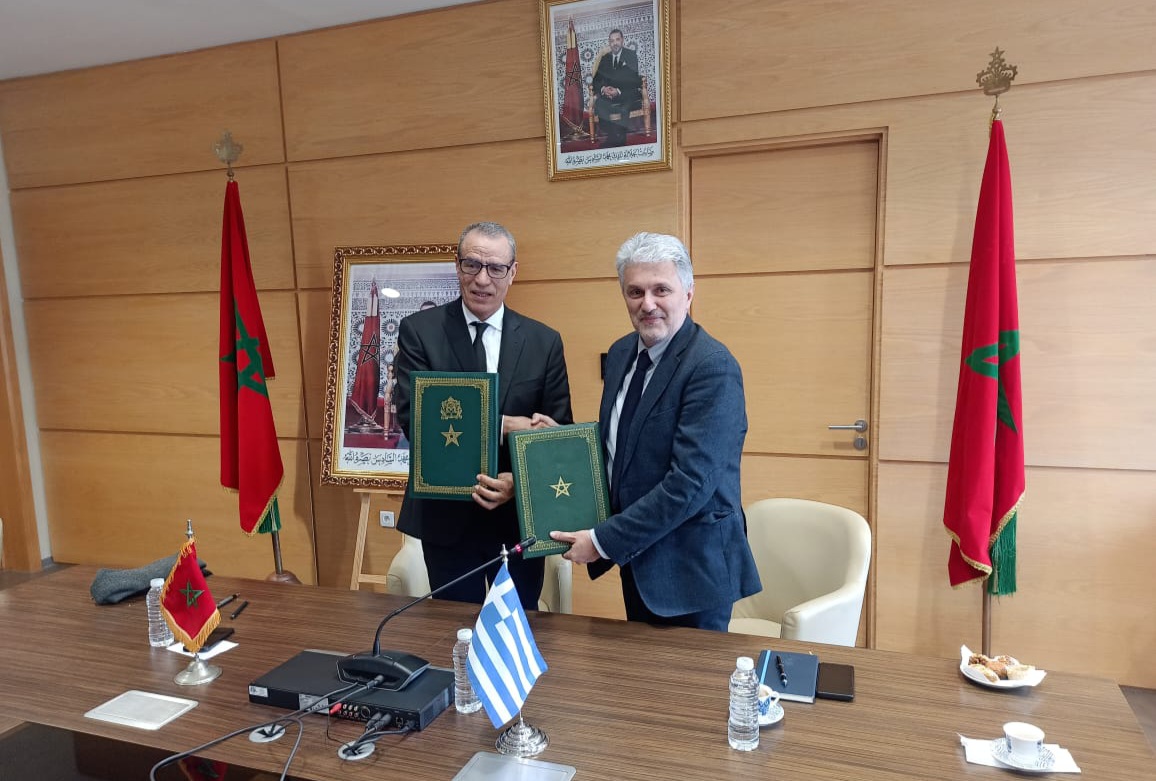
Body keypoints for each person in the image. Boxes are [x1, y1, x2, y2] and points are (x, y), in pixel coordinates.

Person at [550, 232, 761, 631]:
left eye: (661, 289)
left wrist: (603, 541)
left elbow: (690, 484)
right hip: (641, 560)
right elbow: (622, 444)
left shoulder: (712, 366)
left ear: (688, 293)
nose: (647, 304)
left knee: (688, 675)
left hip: (691, 572)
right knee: (641, 669)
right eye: (635, 292)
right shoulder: (621, 353)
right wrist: (557, 444)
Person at [395, 221, 573, 610]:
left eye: (495, 268)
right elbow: (415, 419)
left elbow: (557, 437)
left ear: (513, 272)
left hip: (517, 520)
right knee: (453, 632)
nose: (482, 279)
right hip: (446, 522)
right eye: (472, 264)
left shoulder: (543, 342)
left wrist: (518, 482)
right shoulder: (420, 332)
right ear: (457, 266)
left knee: (516, 632)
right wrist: (504, 425)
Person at [591, 29, 642, 148]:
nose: (615, 43)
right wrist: (604, 89)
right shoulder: (605, 58)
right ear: (609, 43)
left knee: (624, 107)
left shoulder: (630, 55)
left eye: (617, 39)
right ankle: (614, 137)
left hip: (626, 93)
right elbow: (596, 80)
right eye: (612, 41)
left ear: (622, 40)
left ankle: (619, 139)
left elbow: (633, 79)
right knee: (599, 103)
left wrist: (617, 91)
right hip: (609, 94)